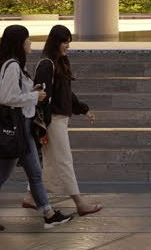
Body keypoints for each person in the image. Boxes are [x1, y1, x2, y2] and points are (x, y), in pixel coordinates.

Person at [0, 24, 70, 231]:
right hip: (16, 128)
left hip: (24, 126)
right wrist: (34, 96)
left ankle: (48, 213)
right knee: (2, 174)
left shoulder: (17, 65)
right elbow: (7, 98)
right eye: (27, 39)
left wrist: (32, 90)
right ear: (19, 43)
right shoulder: (11, 66)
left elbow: (15, 93)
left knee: (35, 174)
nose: (30, 43)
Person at [25, 24, 102, 216]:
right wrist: (41, 126)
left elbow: (67, 92)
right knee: (64, 160)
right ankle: (79, 203)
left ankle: (30, 197)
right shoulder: (46, 64)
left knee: (50, 161)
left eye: (68, 42)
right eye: (64, 42)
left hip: (59, 118)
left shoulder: (61, 61)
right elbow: (41, 95)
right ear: (55, 42)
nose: (67, 45)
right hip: (53, 121)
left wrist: (84, 110)